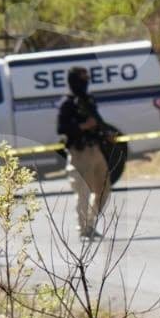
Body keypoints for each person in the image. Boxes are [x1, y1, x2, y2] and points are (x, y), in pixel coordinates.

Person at [56, 67, 117, 240]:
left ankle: (90, 224)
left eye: (86, 78)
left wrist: (106, 133)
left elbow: (97, 120)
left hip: (95, 150)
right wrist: (82, 127)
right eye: (81, 79)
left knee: (104, 190)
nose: (85, 82)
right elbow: (61, 129)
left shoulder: (88, 100)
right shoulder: (67, 103)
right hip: (78, 152)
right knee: (83, 192)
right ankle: (84, 229)